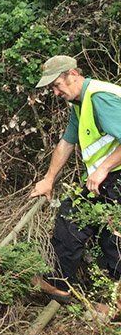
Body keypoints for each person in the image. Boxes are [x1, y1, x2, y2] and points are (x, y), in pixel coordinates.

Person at [30, 55, 121, 303]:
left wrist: (102, 170)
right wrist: (48, 179)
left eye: (57, 85)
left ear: (73, 74)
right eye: (52, 88)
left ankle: (113, 304)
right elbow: (67, 142)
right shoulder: (80, 103)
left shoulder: (99, 98)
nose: (56, 92)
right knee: (73, 218)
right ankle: (59, 284)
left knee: (113, 239)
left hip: (114, 177)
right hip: (108, 179)